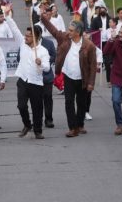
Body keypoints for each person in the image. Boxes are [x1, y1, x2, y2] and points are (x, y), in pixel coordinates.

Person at [41, 9, 97, 137]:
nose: (68, 32)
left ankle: (80, 124)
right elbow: (53, 30)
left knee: (82, 103)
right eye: (69, 29)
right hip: (69, 77)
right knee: (69, 102)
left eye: (71, 30)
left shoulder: (89, 46)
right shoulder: (65, 38)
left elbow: (93, 66)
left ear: (78, 32)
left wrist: (91, 83)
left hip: (83, 79)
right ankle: (73, 128)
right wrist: (43, 18)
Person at [6, 15, 50, 139]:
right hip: (23, 80)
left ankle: (38, 130)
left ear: (35, 37)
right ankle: (27, 124)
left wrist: (41, 63)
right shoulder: (23, 44)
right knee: (21, 106)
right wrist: (8, 16)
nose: (25, 37)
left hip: (36, 83)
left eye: (28, 36)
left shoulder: (43, 51)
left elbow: (47, 68)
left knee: (37, 108)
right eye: (25, 35)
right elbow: (14, 29)